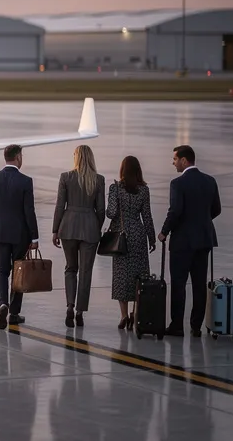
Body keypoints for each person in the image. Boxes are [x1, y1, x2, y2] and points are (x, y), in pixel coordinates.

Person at [159, 145, 221, 338]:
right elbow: (216, 209)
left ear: (184, 160)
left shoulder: (178, 184)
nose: (173, 162)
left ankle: (177, 325)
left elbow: (175, 211)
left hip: (182, 242)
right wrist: (201, 221)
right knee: (199, 284)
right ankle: (196, 326)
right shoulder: (210, 181)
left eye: (175, 159)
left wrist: (164, 231)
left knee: (179, 284)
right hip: (204, 240)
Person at [0, 144, 40, 330]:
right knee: (18, 271)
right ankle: (14, 313)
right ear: (18, 157)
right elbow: (29, 211)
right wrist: (34, 238)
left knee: (2, 270)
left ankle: (2, 304)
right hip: (20, 234)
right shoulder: (25, 181)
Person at [52, 144, 105, 328]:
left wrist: (55, 229)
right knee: (86, 271)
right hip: (90, 228)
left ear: (76, 157)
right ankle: (80, 311)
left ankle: (69, 306)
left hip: (68, 227)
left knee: (70, 268)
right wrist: (96, 227)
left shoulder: (66, 177)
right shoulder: (98, 180)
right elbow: (101, 210)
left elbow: (60, 206)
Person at [107, 155, 157, 330]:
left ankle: (123, 316)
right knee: (139, 276)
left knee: (122, 277)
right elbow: (147, 217)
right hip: (138, 235)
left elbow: (111, 213)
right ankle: (135, 314)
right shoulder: (144, 190)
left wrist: (113, 200)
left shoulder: (115, 188)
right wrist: (152, 238)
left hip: (121, 237)